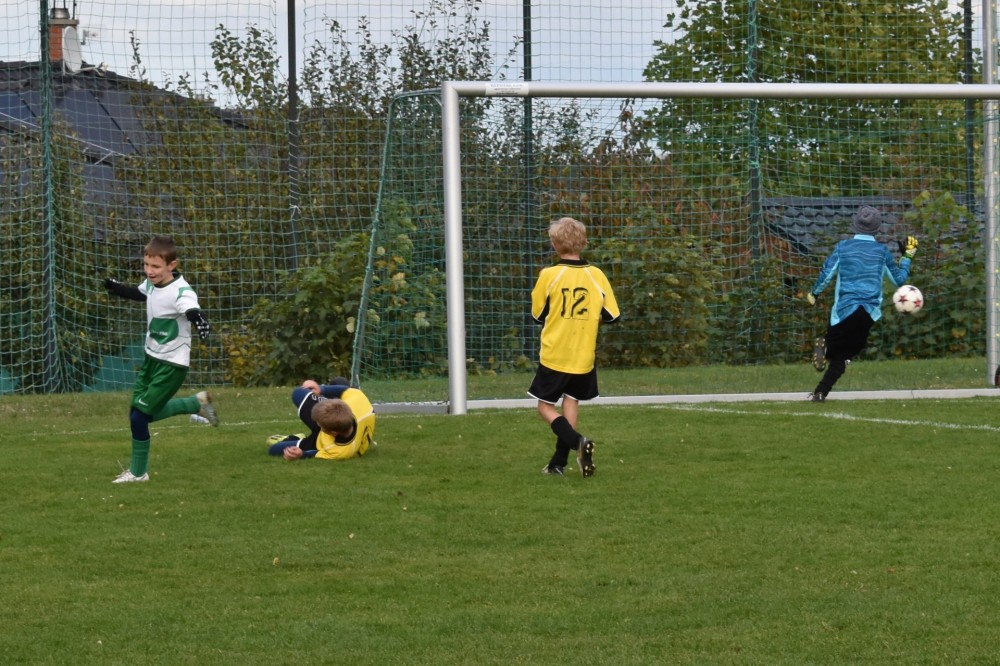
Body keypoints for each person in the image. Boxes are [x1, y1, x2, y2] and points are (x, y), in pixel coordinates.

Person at [103, 235, 217, 483]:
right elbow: (140, 293)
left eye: (155, 266)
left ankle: (138, 473)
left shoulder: (181, 290)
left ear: (171, 265)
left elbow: (191, 308)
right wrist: (116, 288)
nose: (149, 271)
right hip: (151, 359)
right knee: (136, 414)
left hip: (172, 365)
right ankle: (195, 404)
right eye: (146, 264)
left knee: (139, 418)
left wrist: (200, 321)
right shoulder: (152, 283)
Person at [528, 217, 620, 477]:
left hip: (556, 353)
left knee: (545, 407)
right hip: (583, 355)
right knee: (571, 400)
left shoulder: (549, 275)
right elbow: (612, 315)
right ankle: (558, 463)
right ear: (584, 242)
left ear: (554, 244)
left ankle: (577, 442)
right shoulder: (596, 275)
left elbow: (538, 315)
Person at [806, 206, 917, 402]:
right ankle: (820, 392)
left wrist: (814, 293)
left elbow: (827, 273)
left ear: (855, 224)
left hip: (844, 309)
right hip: (868, 312)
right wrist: (907, 257)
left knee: (835, 348)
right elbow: (900, 281)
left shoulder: (843, 247)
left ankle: (826, 349)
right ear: (878, 228)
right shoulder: (882, 252)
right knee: (847, 354)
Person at [267, 377, 375, 460]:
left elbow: (316, 453)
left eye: (319, 424)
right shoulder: (357, 399)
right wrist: (321, 389)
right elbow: (345, 390)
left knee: (274, 449)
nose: (316, 423)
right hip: (331, 419)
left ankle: (296, 437)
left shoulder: (340, 451)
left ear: (333, 433)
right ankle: (325, 401)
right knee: (299, 392)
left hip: (318, 440)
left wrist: (302, 454)